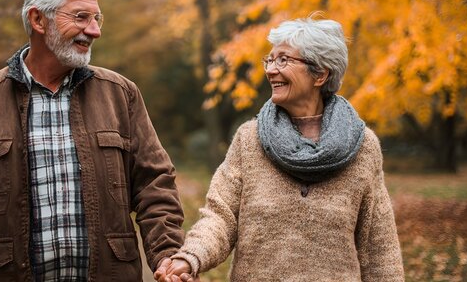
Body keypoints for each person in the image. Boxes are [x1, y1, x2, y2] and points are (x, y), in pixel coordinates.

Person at [0, 0, 185, 281]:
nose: (94, 30)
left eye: (96, 19)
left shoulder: (120, 94)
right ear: (38, 19)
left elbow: (154, 185)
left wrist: (168, 256)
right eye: (80, 17)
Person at [155, 15, 404, 282]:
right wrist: (190, 257)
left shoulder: (363, 147)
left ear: (320, 74)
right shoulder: (249, 140)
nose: (271, 70)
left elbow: (379, 249)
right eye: (270, 60)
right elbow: (220, 218)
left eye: (283, 60)